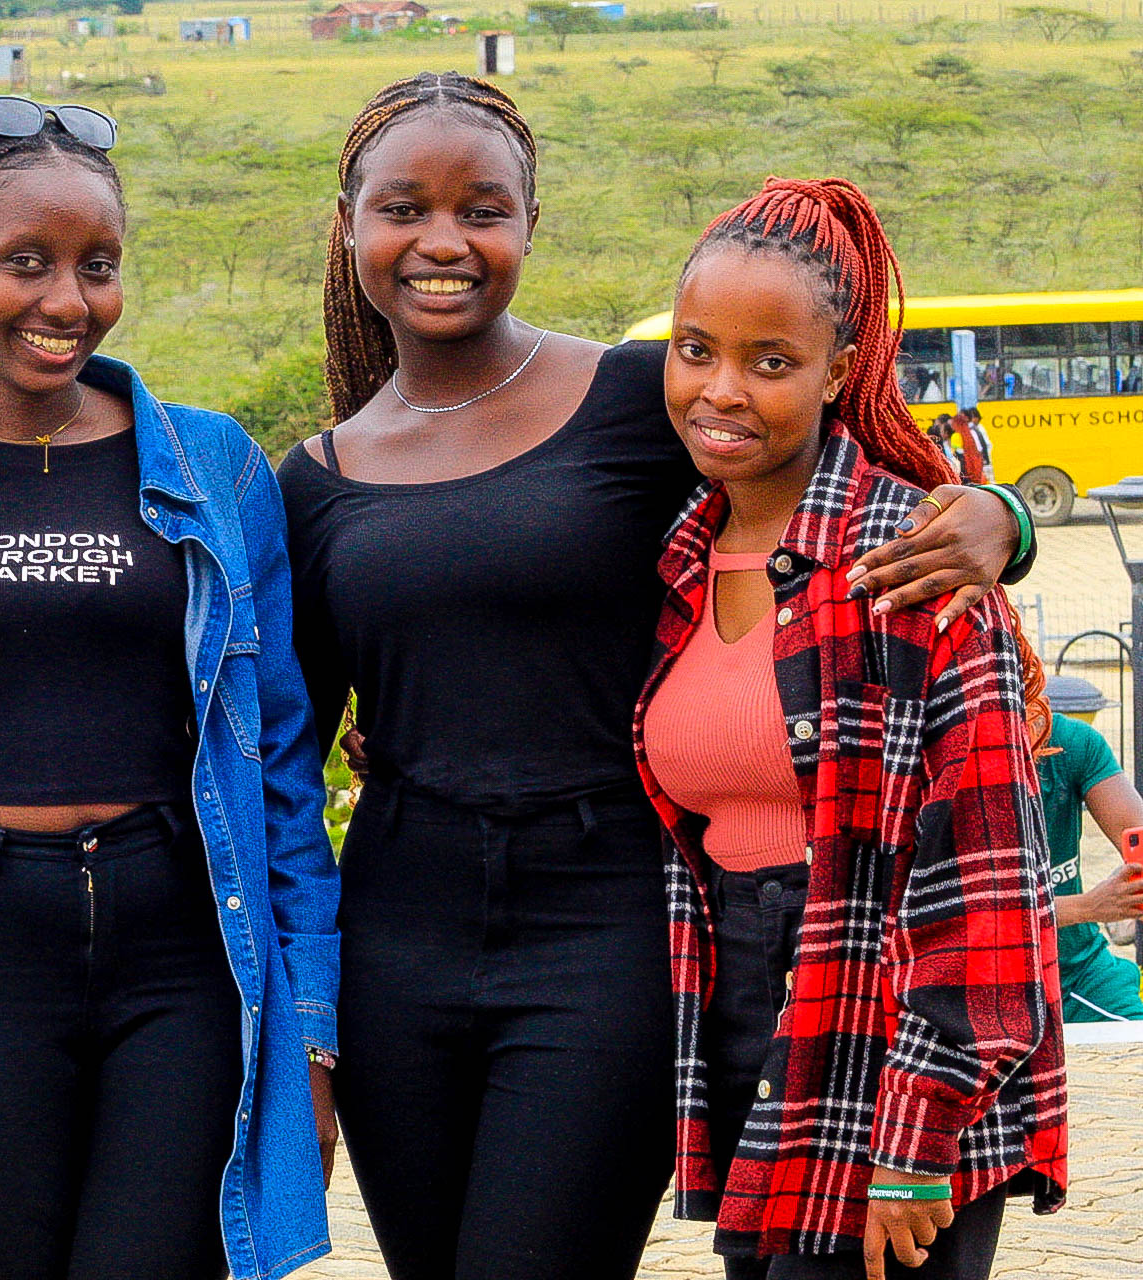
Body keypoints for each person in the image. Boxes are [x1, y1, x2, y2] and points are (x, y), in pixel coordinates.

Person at [280, 72, 1035, 1280]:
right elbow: (284, 768)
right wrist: (303, 1033)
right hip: (397, 937)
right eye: (403, 208)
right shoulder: (315, 479)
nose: (443, 241)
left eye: (483, 208)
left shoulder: (639, 398)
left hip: (609, 929)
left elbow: (831, 482)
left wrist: (1002, 515)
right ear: (349, 223)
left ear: (531, 222)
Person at [0, 101, 339, 1280]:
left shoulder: (213, 466)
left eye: (97, 265)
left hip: (181, 953)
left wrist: (311, 1031)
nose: (68, 299)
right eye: (27, 263)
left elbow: (281, 760)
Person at [634, 176, 1065, 1280]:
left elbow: (988, 877)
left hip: (894, 1030)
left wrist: (920, 1137)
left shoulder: (909, 561)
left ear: (841, 370)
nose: (722, 390)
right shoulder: (678, 553)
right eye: (695, 350)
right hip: (747, 1016)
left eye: (771, 362)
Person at [1035, 712, 1143, 1021]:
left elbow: (1136, 836)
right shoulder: (948, 758)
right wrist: (1090, 906)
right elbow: (966, 917)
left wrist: (1128, 896)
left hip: (1079, 973)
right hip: (979, 987)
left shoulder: (1069, 742)